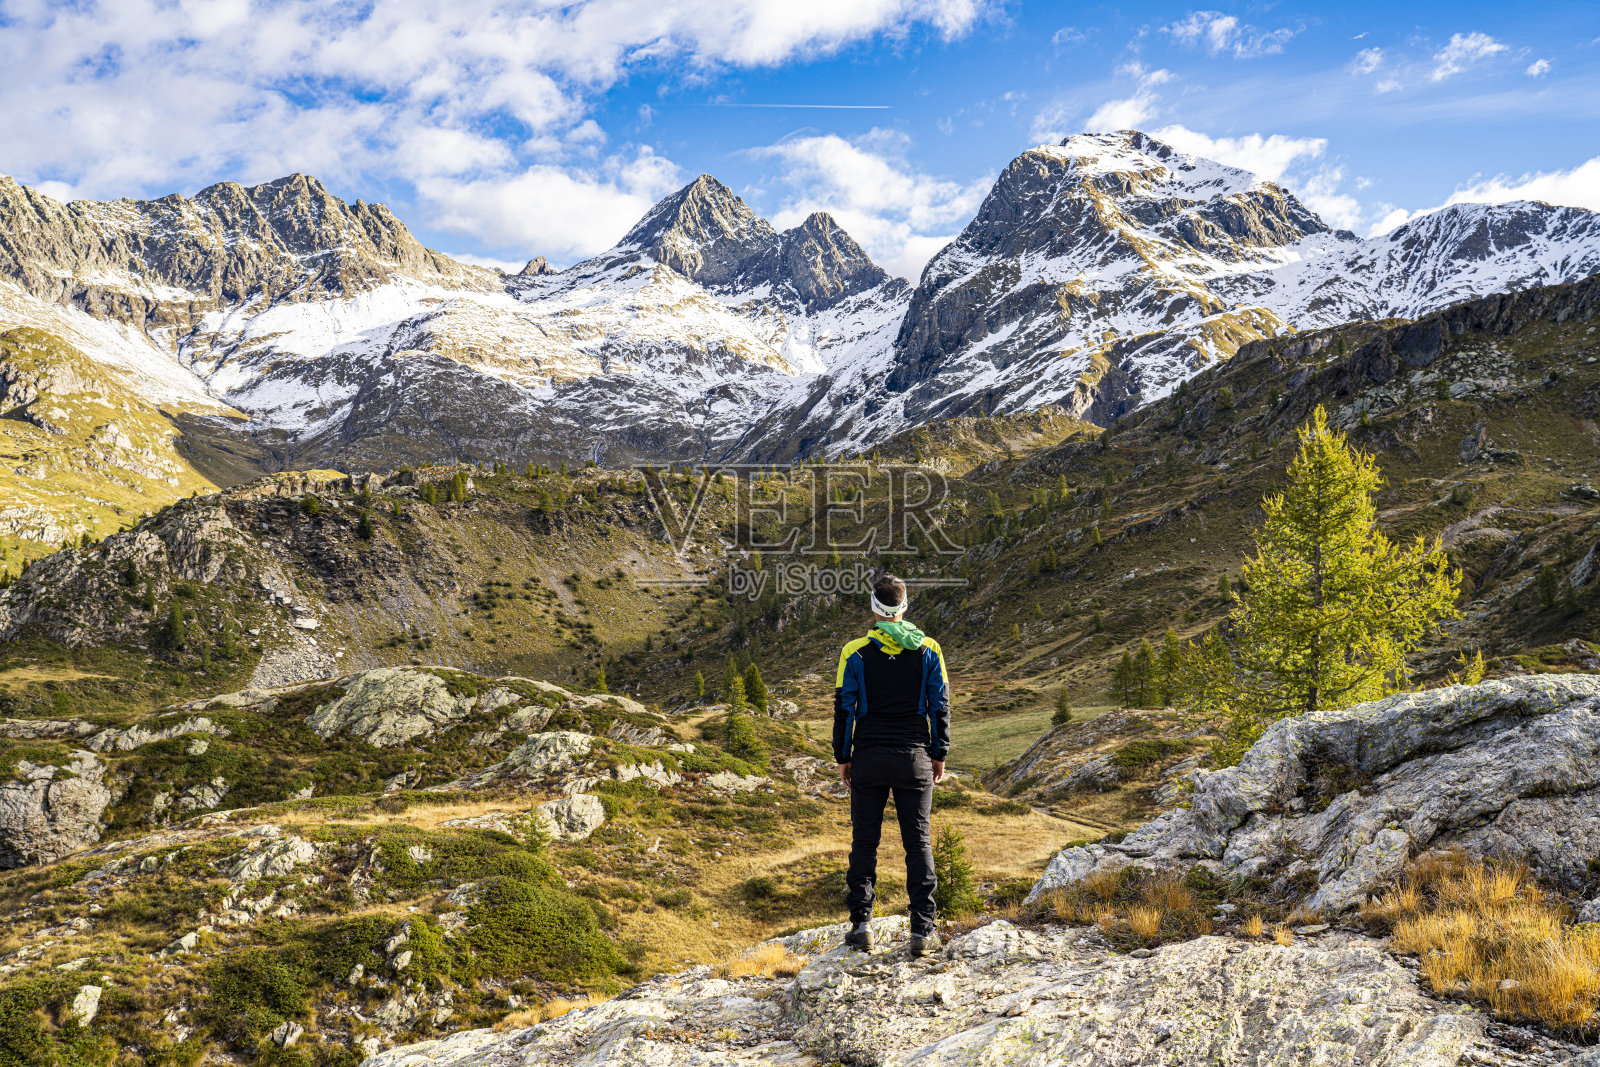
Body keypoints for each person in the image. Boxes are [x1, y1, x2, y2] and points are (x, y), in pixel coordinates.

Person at [833, 573, 951, 958]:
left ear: (873, 606)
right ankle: (922, 931)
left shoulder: (854, 652)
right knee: (917, 842)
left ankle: (862, 927)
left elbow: (844, 708)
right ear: (904, 607)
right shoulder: (929, 648)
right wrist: (939, 753)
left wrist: (843, 757)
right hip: (915, 756)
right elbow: (940, 705)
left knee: (864, 841)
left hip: (868, 756)